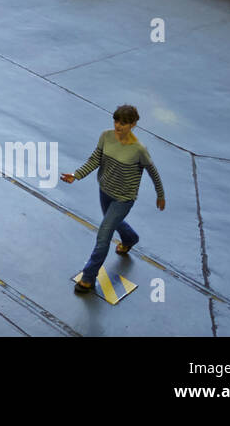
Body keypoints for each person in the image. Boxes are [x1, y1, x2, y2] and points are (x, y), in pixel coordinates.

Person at [61, 105, 165, 295]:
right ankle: (130, 238)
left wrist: (160, 194)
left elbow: (153, 172)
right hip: (105, 191)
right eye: (116, 121)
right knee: (112, 222)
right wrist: (76, 175)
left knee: (104, 235)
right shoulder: (106, 136)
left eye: (123, 123)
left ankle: (88, 278)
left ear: (133, 124)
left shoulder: (138, 150)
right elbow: (95, 160)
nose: (118, 126)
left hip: (123, 199)